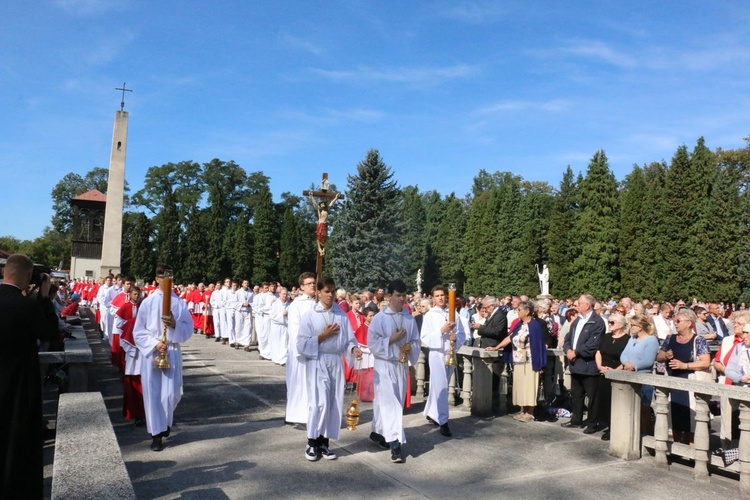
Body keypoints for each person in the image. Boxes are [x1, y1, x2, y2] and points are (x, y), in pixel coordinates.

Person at [0, 254, 59, 498]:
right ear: (27, 276)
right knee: (16, 444)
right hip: (18, 384)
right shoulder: (27, 305)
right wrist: (44, 299)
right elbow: (49, 332)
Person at [297, 277, 362, 461]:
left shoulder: (341, 315)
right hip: (318, 360)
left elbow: (349, 339)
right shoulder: (310, 315)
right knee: (318, 403)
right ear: (318, 292)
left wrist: (353, 348)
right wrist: (322, 336)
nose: (331, 294)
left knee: (333, 402)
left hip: (335, 361)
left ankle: (324, 443)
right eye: (326, 291)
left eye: (333, 291)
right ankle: (311, 442)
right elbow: (301, 344)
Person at [133, 266, 193, 451]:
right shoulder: (148, 302)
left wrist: (174, 324)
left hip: (172, 350)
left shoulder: (179, 303)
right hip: (153, 351)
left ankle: (166, 422)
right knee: (153, 393)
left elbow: (188, 328)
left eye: (170, 275)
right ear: (156, 278)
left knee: (172, 393)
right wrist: (154, 344)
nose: (167, 279)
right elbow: (138, 331)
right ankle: (156, 435)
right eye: (163, 276)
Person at [367, 279, 421, 463]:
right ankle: (395, 444)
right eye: (398, 295)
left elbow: (416, 341)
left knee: (393, 401)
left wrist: (409, 347)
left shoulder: (409, 318)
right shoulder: (380, 318)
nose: (402, 299)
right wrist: (391, 340)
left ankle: (379, 433)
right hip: (384, 366)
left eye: (404, 295)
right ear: (390, 296)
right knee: (391, 404)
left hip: (401, 365)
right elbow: (372, 343)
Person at [655, 309, 711, 445]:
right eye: (674, 321)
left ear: (689, 324)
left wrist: (684, 365)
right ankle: (677, 450)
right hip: (673, 383)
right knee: (674, 419)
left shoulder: (699, 340)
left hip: (690, 383)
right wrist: (665, 356)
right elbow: (659, 357)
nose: (675, 324)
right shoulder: (670, 338)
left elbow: (706, 362)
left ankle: (692, 452)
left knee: (690, 421)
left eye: (678, 321)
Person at [487, 300, 546, 422]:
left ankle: (530, 412)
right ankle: (523, 410)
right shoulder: (519, 325)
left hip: (531, 361)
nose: (517, 312)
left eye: (519, 310)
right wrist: (497, 347)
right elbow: (510, 337)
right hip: (518, 360)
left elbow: (539, 346)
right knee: (521, 386)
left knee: (530, 387)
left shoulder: (535, 326)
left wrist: (540, 364)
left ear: (527, 312)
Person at [421, 285, 467, 437]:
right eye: (437, 296)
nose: (440, 298)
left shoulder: (453, 313)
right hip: (437, 353)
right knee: (441, 387)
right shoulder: (430, 315)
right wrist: (441, 331)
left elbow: (462, 333)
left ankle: (431, 412)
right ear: (433, 299)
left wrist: (456, 338)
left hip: (450, 352)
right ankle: (443, 421)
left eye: (442, 295)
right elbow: (425, 337)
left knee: (440, 385)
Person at [562, 294, 605, 433]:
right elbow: (567, 338)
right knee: (576, 394)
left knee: (592, 397)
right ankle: (576, 419)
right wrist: (568, 350)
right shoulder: (577, 321)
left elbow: (593, 344)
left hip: (589, 365)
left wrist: (577, 352)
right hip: (575, 364)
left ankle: (592, 423)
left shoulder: (597, 322)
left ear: (587, 305)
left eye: (579, 303)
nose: (576, 306)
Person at [618, 313, 660, 437]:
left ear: (640, 327)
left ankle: (647, 434)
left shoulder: (651, 340)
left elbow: (648, 360)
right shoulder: (632, 339)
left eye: (633, 325)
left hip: (643, 377)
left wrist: (634, 366)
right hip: (629, 376)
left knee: (644, 409)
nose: (630, 327)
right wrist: (626, 363)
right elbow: (623, 355)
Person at [284, 272, 317, 425]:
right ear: (301, 287)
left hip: (316, 350)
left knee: (313, 385)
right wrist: (304, 348)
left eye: (314, 282)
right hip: (301, 353)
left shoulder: (317, 303)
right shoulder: (296, 305)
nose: (312, 285)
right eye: (309, 283)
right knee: (299, 385)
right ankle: (297, 416)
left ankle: (312, 414)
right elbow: (294, 330)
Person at [593, 313, 630, 437]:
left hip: (617, 371)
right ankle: (601, 422)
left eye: (612, 322)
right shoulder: (606, 336)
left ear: (621, 325)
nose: (609, 324)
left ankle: (612, 428)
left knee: (613, 401)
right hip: (603, 371)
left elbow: (627, 358)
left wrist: (614, 371)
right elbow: (598, 351)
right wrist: (599, 366)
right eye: (609, 322)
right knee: (602, 399)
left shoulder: (627, 339)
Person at [117, 286, 146, 425]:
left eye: (138, 294)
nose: (137, 297)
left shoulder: (143, 307)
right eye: (135, 294)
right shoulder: (125, 307)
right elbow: (119, 326)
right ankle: (136, 414)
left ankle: (144, 413)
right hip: (131, 348)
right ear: (130, 295)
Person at [270, 287, 290, 365]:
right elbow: (272, 316)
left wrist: (288, 314)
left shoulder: (289, 305)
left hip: (285, 326)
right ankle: (277, 359)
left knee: (284, 343)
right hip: (277, 326)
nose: (285, 295)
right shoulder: (275, 304)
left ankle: (283, 359)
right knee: (277, 343)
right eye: (283, 294)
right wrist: (282, 314)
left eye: (286, 294)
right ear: (279, 294)